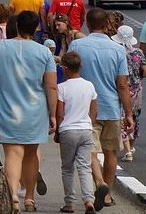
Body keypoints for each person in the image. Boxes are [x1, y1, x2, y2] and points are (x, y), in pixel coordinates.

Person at [0, 10, 58, 214]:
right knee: (30, 155)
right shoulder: (44, 52)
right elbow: (51, 86)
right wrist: (53, 114)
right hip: (35, 110)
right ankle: (29, 197)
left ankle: (12, 196)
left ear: (17, 26)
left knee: (12, 154)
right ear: (36, 28)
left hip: (7, 108)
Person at [69, 8, 132, 209]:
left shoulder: (77, 45)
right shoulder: (118, 49)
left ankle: (99, 183)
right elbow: (122, 84)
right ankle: (107, 195)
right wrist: (129, 113)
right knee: (111, 152)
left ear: (87, 24)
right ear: (106, 26)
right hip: (112, 107)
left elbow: (70, 73)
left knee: (90, 151)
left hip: (85, 108)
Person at [54, 51, 98, 214]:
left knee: (67, 168)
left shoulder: (62, 88)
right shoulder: (89, 85)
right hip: (85, 129)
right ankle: (88, 201)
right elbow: (94, 110)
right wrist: (90, 124)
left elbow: (60, 113)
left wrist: (58, 131)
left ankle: (70, 203)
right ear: (80, 67)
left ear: (65, 68)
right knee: (85, 167)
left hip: (68, 130)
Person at [114, 24, 146, 162]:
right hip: (137, 89)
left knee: (123, 117)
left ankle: (128, 151)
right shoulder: (139, 53)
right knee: (134, 118)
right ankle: (132, 147)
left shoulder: (117, 52)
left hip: (123, 89)